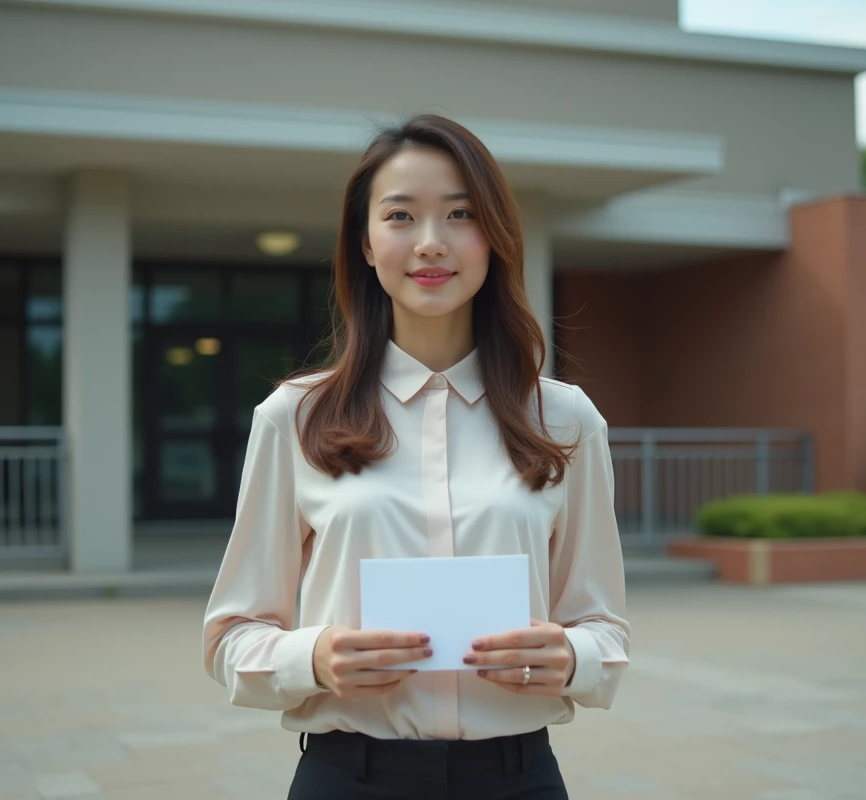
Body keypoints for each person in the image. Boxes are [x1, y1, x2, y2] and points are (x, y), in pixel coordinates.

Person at [202, 114, 630, 799]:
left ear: (493, 237)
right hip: (350, 776)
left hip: (517, 779)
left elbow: (603, 627)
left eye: (460, 214)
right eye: (400, 215)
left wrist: (571, 654)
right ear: (366, 244)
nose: (430, 243)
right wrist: (312, 657)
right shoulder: (296, 417)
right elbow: (230, 637)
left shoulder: (565, 419)